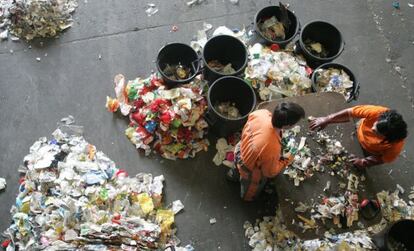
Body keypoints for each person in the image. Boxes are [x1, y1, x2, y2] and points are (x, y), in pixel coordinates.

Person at [227, 102, 305, 201]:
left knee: (236, 169)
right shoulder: (271, 147)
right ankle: (246, 198)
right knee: (250, 187)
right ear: (287, 125)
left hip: (241, 148)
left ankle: (231, 176)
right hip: (249, 168)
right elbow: (269, 172)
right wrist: (286, 159)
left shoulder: (261, 113)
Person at [309, 105, 407, 169]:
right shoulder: (377, 112)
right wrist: (327, 119)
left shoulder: (395, 145)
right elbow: (350, 112)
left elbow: (382, 159)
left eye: (377, 132)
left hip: (370, 150)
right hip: (359, 129)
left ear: (387, 138)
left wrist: (364, 162)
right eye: (374, 125)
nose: (372, 129)